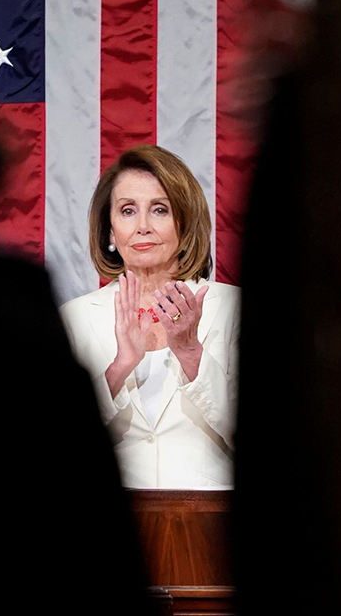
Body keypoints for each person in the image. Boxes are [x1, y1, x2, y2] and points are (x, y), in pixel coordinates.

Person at [60, 144, 240, 489]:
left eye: (159, 209)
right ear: (110, 232)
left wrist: (191, 353)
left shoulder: (232, 308)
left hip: (209, 523)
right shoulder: (75, 318)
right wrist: (118, 369)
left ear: (184, 223)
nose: (142, 226)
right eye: (127, 211)